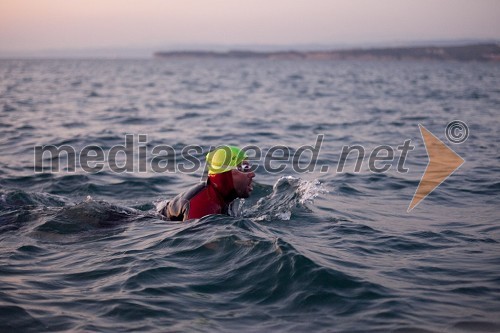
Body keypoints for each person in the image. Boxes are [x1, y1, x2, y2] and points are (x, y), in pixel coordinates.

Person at [159, 145, 255, 221]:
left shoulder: (227, 197)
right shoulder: (203, 205)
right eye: (244, 168)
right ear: (225, 174)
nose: (252, 174)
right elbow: (192, 242)